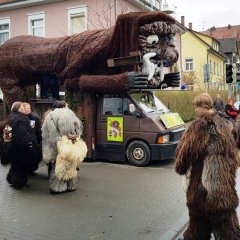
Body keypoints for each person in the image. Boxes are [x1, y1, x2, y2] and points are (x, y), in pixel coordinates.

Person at [175, 93, 240, 240]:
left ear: (202, 106)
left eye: (196, 107)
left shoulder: (198, 127)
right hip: (224, 191)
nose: (196, 111)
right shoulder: (227, 124)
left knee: (198, 227)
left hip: (201, 190)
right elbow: (234, 152)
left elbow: (185, 153)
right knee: (228, 231)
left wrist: (180, 167)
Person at [41, 108, 87, 194]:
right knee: (71, 165)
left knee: (58, 168)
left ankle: (58, 187)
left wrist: (51, 153)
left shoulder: (51, 117)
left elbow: (50, 137)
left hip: (60, 146)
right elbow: (78, 128)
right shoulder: (70, 114)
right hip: (71, 145)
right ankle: (71, 185)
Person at [0, 102, 42, 189]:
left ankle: (11, 179)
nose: (24, 109)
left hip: (13, 146)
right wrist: (29, 143)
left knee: (15, 165)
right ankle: (19, 183)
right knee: (21, 166)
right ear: (17, 109)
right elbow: (22, 133)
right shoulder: (21, 119)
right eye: (22, 108)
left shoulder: (12, 117)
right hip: (20, 148)